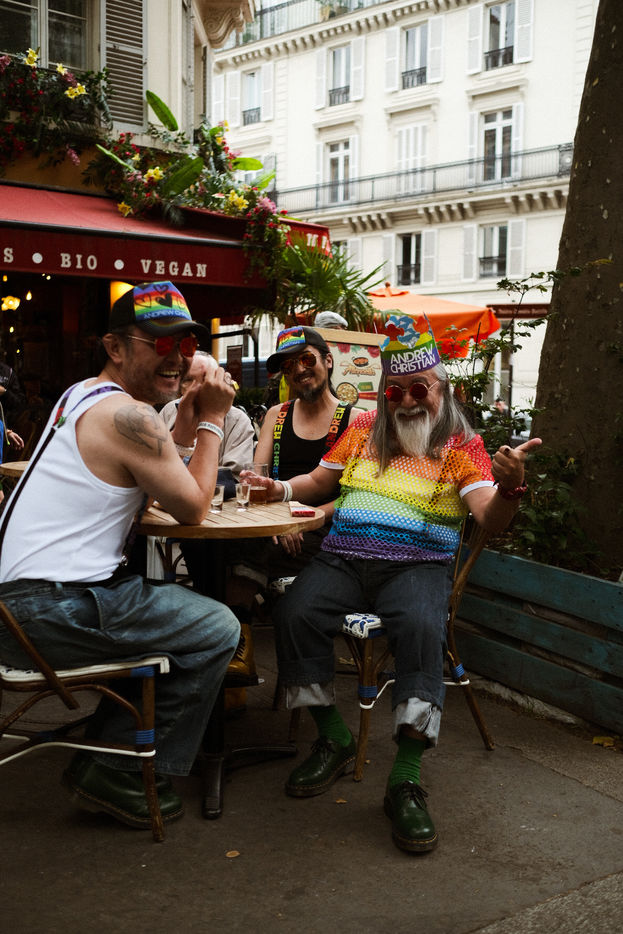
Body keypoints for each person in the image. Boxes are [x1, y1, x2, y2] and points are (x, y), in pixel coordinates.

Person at [242, 313, 541, 854]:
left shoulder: (462, 445)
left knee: (422, 627)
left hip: (417, 566)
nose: (406, 401)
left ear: (442, 390)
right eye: (395, 391)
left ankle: (405, 778)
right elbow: (318, 481)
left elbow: (488, 519)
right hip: (342, 559)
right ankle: (333, 737)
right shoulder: (362, 428)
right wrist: (278, 489)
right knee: (294, 613)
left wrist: (511, 488)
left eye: (418, 389)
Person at [0, 280, 240, 831]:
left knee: (168, 615)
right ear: (114, 347)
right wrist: (213, 418)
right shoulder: (129, 416)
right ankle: (118, 769)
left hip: (20, 605)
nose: (177, 358)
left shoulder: (83, 394)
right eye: (161, 343)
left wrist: (187, 415)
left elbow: (159, 477)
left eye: (186, 344)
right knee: (216, 627)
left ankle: (110, 752)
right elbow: (193, 508)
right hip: (47, 609)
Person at [230, 325, 356, 603]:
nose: (299, 369)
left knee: (251, 552)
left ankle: (239, 621)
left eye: (307, 359)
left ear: (328, 360)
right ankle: (234, 621)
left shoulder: (355, 420)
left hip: (326, 525)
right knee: (221, 547)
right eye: (288, 366)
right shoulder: (276, 415)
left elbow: (356, 497)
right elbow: (259, 481)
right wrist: (281, 522)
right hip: (275, 520)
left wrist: (302, 521)